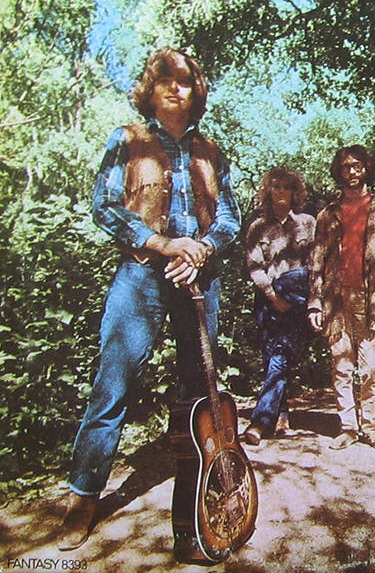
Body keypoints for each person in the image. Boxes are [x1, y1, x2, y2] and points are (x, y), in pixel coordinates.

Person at [57, 47, 240, 550]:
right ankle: (83, 497)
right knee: (113, 383)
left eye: (185, 80)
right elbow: (104, 207)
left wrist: (200, 249)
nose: (175, 87)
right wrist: (161, 243)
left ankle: (198, 498)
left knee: (198, 393)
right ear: (150, 90)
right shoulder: (127, 140)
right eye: (165, 79)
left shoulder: (210, 150)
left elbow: (230, 217)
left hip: (199, 280)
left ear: (196, 91)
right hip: (140, 277)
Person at [308, 145, 375, 451]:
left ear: (367, 169)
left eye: (357, 166)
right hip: (335, 299)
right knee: (341, 367)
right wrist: (314, 303)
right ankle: (348, 426)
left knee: (373, 368)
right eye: (346, 166)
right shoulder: (327, 214)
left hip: (372, 298)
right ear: (339, 171)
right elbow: (317, 260)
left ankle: (372, 427)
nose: (352, 171)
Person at [244, 167, 316, 446]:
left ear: (295, 192)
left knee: (281, 353)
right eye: (276, 187)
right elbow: (254, 267)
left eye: (286, 187)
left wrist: (307, 300)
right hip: (268, 299)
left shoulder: (307, 223)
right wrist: (274, 296)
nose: (281, 192)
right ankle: (281, 414)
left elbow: (314, 265)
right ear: (268, 192)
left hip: (296, 297)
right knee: (274, 354)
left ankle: (261, 421)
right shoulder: (258, 227)